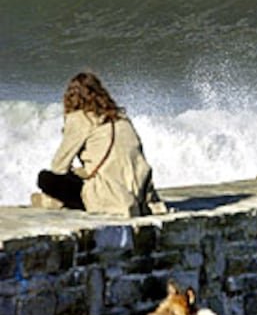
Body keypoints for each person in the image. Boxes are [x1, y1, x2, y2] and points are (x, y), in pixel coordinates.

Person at [32, 72, 167, 216]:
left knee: (45, 178)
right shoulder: (121, 118)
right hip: (141, 194)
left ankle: (53, 202)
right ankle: (56, 201)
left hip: (111, 196)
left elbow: (58, 167)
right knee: (81, 177)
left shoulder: (79, 118)